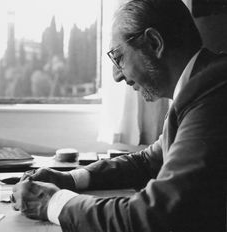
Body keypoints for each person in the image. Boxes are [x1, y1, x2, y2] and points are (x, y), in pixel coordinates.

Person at [11, 0, 227, 231]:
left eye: (118, 57)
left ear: (154, 43)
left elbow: (155, 215)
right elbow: (147, 162)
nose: (116, 76)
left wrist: (52, 202)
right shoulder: (201, 88)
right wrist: (70, 179)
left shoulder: (213, 95)